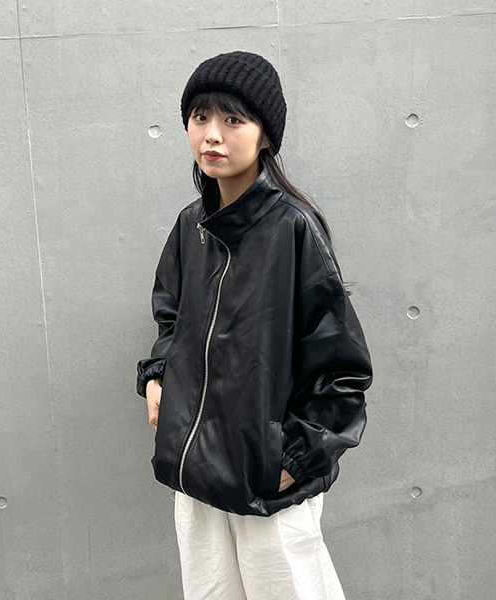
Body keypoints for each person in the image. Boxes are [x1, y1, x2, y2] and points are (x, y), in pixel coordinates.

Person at [136, 50, 373, 600]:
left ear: (265, 136)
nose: (212, 135)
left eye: (233, 119)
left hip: (267, 481)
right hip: (195, 471)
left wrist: (291, 460)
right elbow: (171, 314)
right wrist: (157, 375)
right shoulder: (190, 226)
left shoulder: (293, 230)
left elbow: (343, 371)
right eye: (200, 117)